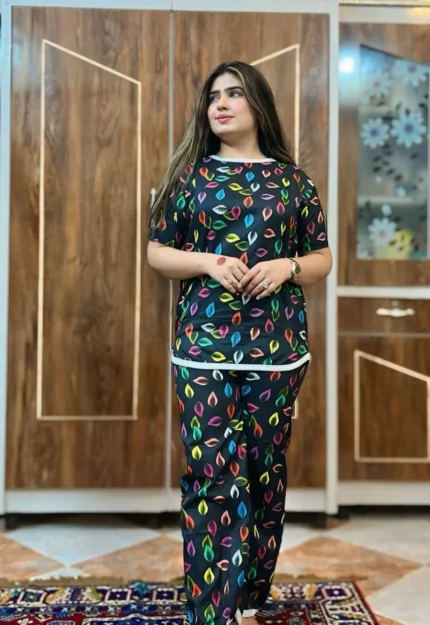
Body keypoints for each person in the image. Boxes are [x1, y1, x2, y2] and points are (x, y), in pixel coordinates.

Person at [147, 61, 332, 625]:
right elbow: (158, 252)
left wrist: (286, 267)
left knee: (262, 472)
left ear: (259, 104)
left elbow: (322, 259)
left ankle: (248, 598)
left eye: (233, 94)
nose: (220, 105)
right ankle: (213, 612)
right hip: (202, 347)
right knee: (212, 472)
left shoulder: (294, 182)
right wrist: (207, 261)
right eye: (213, 97)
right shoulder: (189, 178)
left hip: (277, 350)